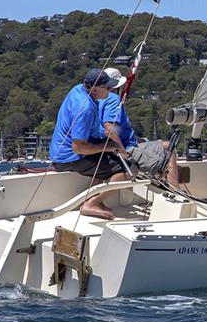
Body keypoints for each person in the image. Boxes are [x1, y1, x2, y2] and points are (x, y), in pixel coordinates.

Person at [50, 68, 130, 220]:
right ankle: (91, 204)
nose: (110, 90)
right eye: (107, 87)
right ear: (94, 89)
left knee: (108, 158)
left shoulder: (77, 90)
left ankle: (93, 198)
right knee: (126, 171)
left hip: (60, 152)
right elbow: (78, 147)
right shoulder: (85, 108)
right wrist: (108, 147)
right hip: (70, 158)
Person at [98, 68, 178, 186]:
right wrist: (122, 150)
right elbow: (109, 129)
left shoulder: (97, 100)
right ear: (117, 87)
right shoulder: (113, 99)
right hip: (126, 148)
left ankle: (168, 189)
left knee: (166, 145)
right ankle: (177, 194)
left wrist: (139, 140)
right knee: (168, 153)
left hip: (116, 146)